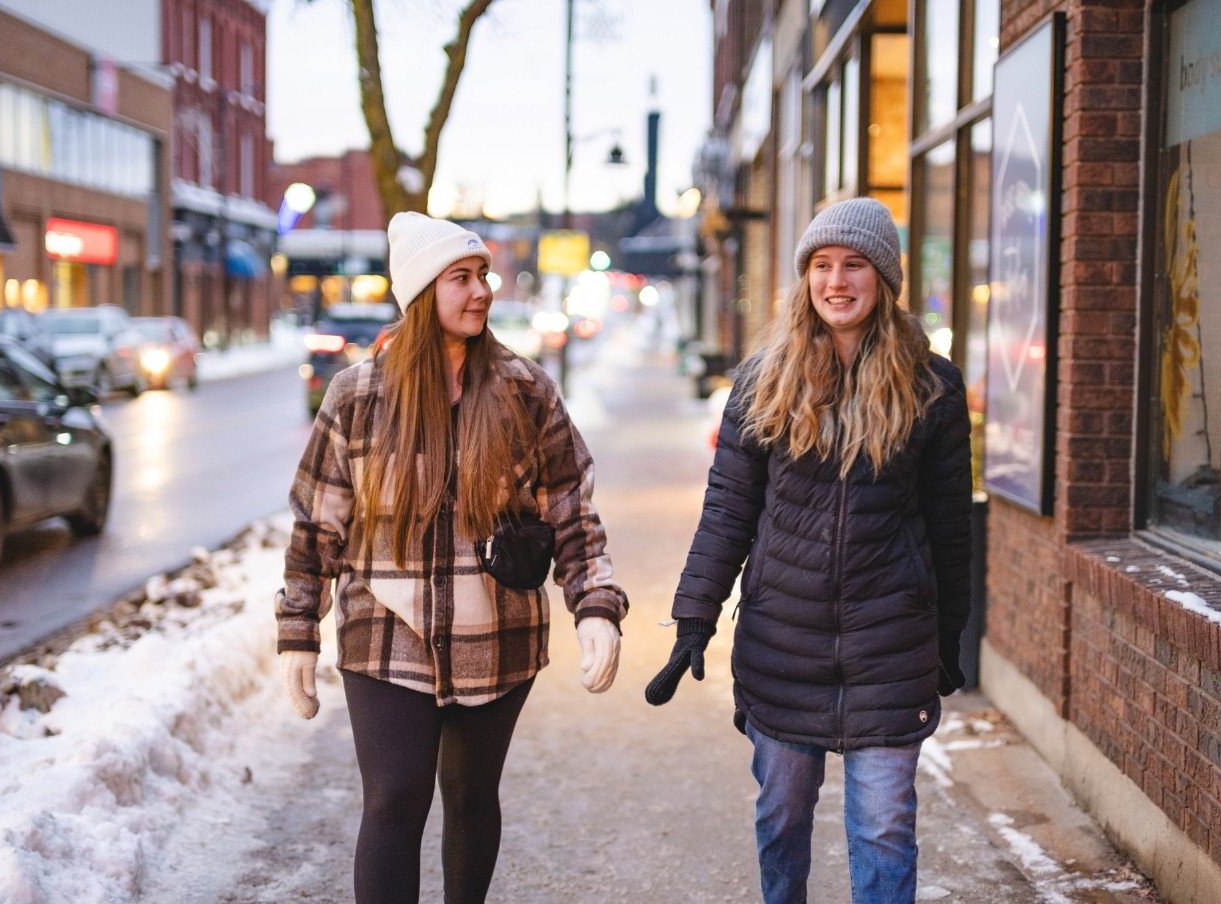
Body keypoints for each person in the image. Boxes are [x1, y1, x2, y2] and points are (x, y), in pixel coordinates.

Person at [277, 211, 627, 904]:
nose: (481, 292)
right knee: (394, 800)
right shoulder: (357, 397)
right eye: (460, 279)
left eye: (482, 276)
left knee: (470, 795)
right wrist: (297, 632)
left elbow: (571, 508)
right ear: (420, 293)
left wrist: (595, 605)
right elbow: (317, 524)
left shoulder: (525, 391)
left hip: (494, 632)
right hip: (385, 629)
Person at [645, 197, 972, 904]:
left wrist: (950, 633)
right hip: (782, 642)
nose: (837, 281)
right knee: (783, 815)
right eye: (822, 266)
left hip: (890, 643)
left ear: (883, 278)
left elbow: (950, 525)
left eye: (854, 265)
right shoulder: (764, 382)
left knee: (885, 827)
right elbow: (729, 510)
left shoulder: (932, 388)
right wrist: (694, 617)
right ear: (805, 280)